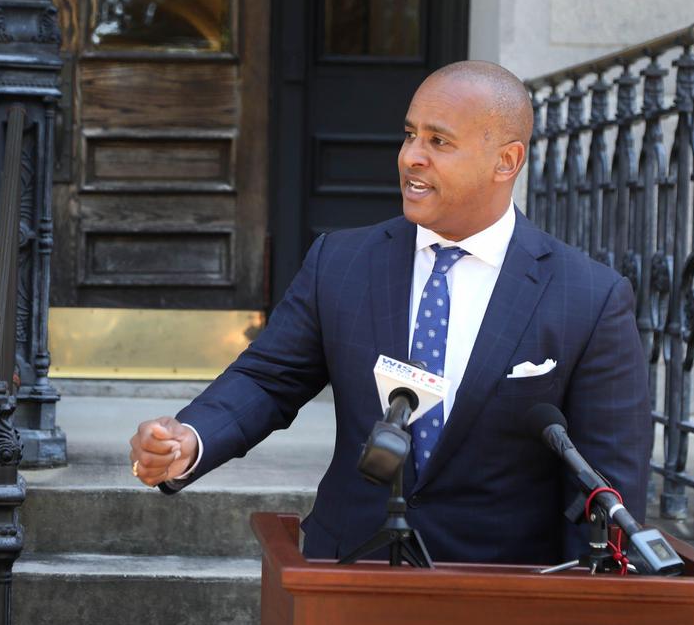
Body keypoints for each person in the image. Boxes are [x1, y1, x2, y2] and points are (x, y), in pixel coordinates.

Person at [129, 61, 652, 565]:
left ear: (506, 161)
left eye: (438, 141)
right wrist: (190, 439)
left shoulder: (589, 297)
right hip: (350, 574)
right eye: (410, 135)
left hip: (501, 596)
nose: (411, 157)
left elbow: (604, 485)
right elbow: (267, 380)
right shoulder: (341, 261)